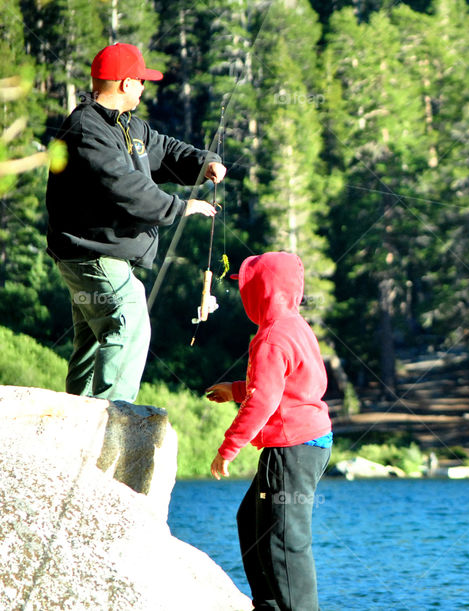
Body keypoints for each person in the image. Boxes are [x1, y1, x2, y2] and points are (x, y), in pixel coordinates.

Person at [46, 42, 224, 402]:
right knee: (129, 316)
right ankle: (113, 420)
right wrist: (179, 207)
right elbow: (124, 186)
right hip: (92, 254)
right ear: (126, 83)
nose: (144, 87)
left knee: (93, 344)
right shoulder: (86, 129)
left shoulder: (127, 126)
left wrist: (204, 162)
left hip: (97, 254)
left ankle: (76, 417)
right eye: (141, 81)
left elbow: (165, 151)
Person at [205, 251, 333, 611]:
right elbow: (287, 385)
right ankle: (269, 605)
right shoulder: (295, 326)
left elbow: (263, 401)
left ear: (263, 292)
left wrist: (229, 448)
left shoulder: (272, 338)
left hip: (292, 448)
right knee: (252, 522)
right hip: (309, 443)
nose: (243, 295)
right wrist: (236, 389)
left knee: (284, 541)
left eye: (248, 288)